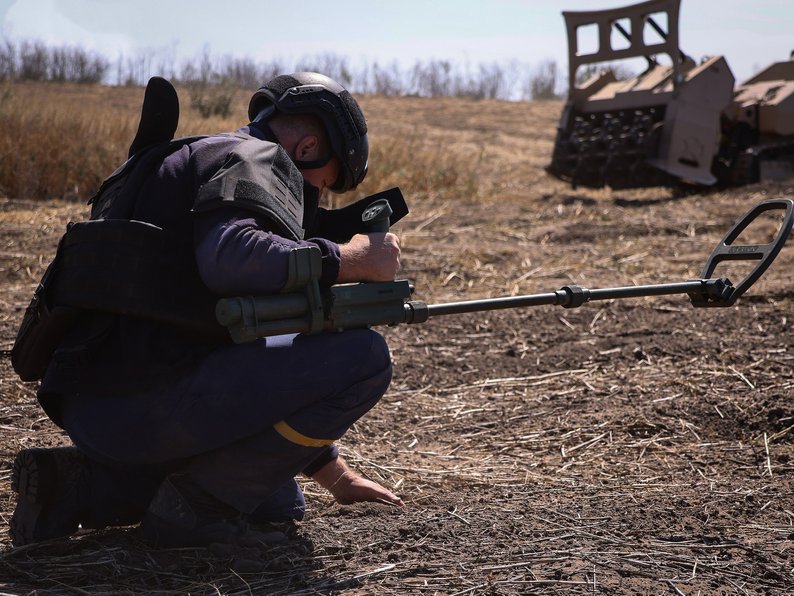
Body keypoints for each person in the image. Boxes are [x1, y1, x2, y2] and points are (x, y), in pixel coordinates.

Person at [10, 72, 404, 549]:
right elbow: (233, 257)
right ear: (307, 148)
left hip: (96, 407)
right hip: (148, 404)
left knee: (277, 504)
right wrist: (353, 259)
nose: (315, 200)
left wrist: (337, 478)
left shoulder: (189, 157)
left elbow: (232, 335)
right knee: (364, 357)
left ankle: (76, 487)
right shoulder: (256, 157)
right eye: (324, 184)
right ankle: (194, 516)